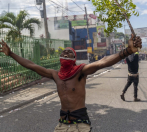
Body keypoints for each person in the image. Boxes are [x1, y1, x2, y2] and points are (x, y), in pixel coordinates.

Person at [0, 34, 142, 132]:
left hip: (80, 124)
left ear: (74, 59)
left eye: (70, 52)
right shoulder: (55, 75)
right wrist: (11, 54)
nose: (66, 53)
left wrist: (127, 51)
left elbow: (101, 63)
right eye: (64, 52)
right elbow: (32, 65)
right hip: (63, 124)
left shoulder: (80, 71)